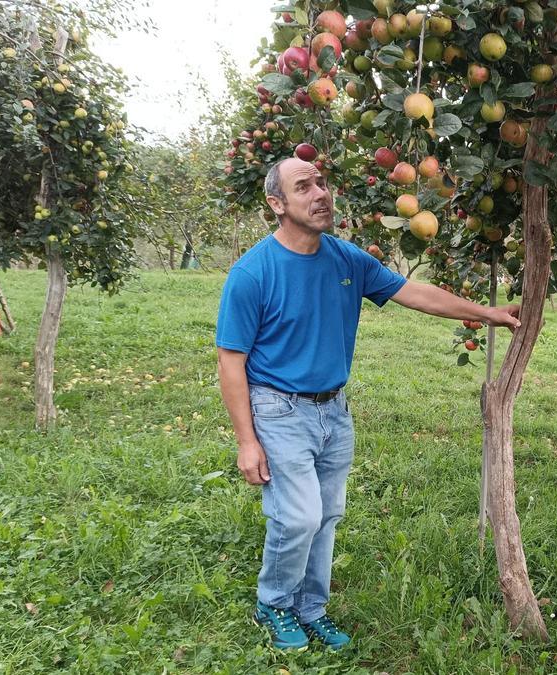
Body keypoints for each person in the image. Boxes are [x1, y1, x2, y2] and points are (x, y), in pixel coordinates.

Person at [216, 157, 520, 651]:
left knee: (327, 514)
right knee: (298, 517)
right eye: (304, 187)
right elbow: (231, 362)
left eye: (321, 182)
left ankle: (311, 608)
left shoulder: (346, 259)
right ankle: (274, 602)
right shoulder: (253, 273)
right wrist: (247, 441)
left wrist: (487, 313)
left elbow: (415, 293)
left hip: (334, 411)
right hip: (278, 408)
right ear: (277, 204)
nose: (320, 193)